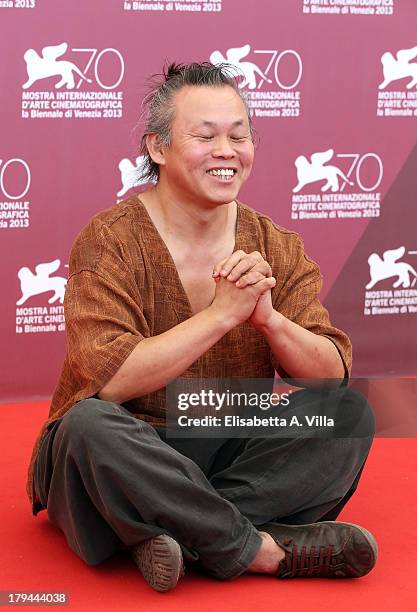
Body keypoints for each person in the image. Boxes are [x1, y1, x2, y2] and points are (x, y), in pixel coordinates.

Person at [27, 62, 377, 593]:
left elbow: (332, 376)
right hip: (132, 439)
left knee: (348, 414)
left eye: (240, 136)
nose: (227, 151)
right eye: (206, 136)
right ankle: (257, 547)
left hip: (225, 426)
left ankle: (170, 531)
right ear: (158, 148)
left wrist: (269, 320)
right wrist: (219, 315)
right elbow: (114, 381)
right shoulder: (111, 240)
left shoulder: (275, 243)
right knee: (87, 426)